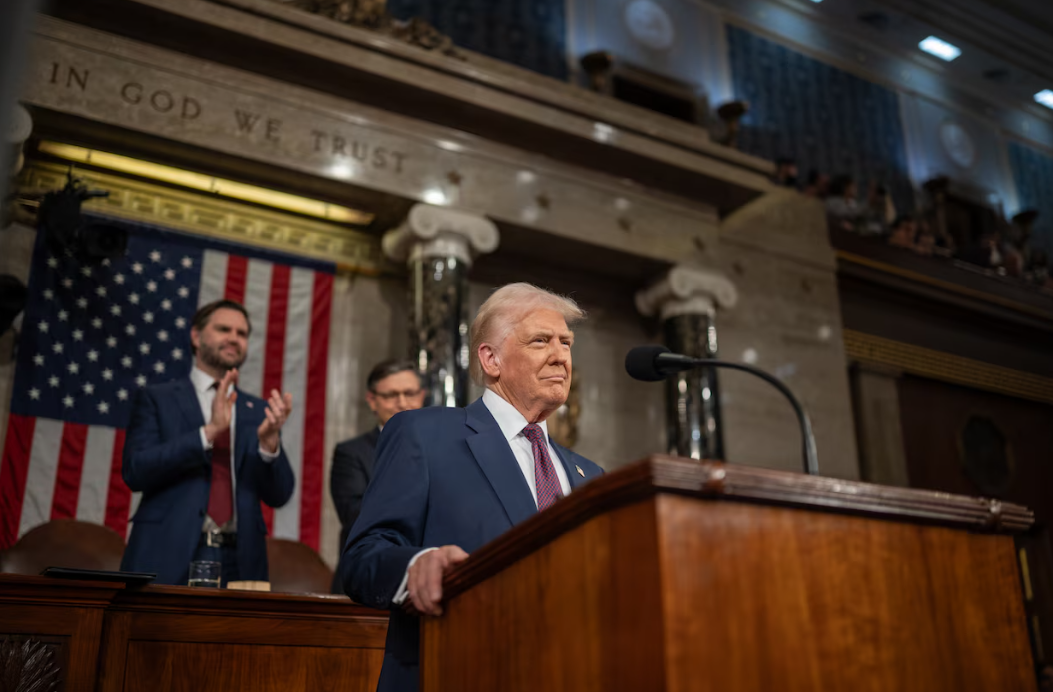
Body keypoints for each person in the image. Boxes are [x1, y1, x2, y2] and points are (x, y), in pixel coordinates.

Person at [343, 283, 605, 692]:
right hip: (456, 670)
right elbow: (362, 560)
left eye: (566, 342)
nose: (561, 355)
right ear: (491, 358)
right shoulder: (424, 434)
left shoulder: (590, 474)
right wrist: (417, 566)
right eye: (541, 341)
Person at [120, 299, 295, 586]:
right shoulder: (158, 398)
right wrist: (209, 432)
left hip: (240, 560)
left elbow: (280, 494)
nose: (233, 338)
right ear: (196, 336)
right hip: (167, 551)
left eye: (241, 333)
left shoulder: (257, 410)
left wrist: (269, 444)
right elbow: (135, 471)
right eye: (224, 329)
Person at [330, 359, 425, 554]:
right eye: (391, 395)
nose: (402, 403)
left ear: (422, 396)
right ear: (372, 401)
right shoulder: (351, 453)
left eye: (409, 393)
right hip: (370, 568)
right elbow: (355, 515)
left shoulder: (440, 449)